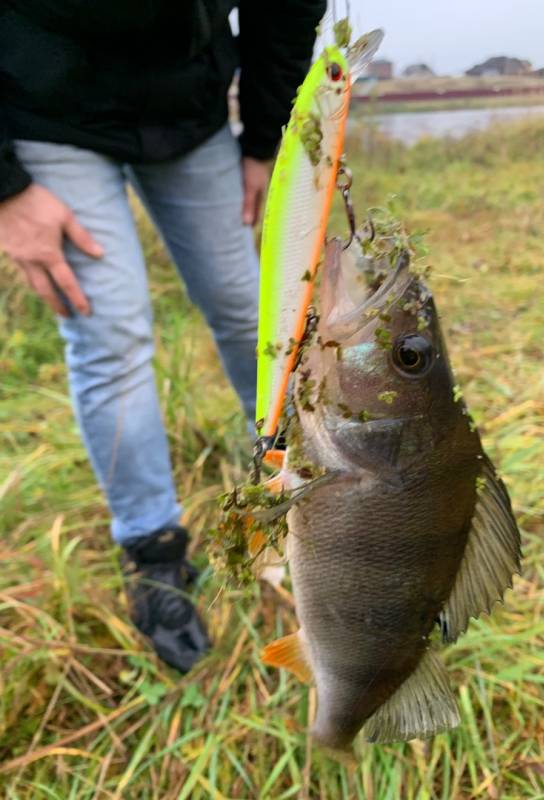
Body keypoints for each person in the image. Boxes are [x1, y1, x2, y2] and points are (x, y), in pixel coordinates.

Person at [0, 1, 326, 673]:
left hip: (188, 109)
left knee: (248, 309)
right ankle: (154, 553)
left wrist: (264, 141)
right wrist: (5, 188)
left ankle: (310, 494)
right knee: (109, 332)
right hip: (43, 107)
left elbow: (286, 11)